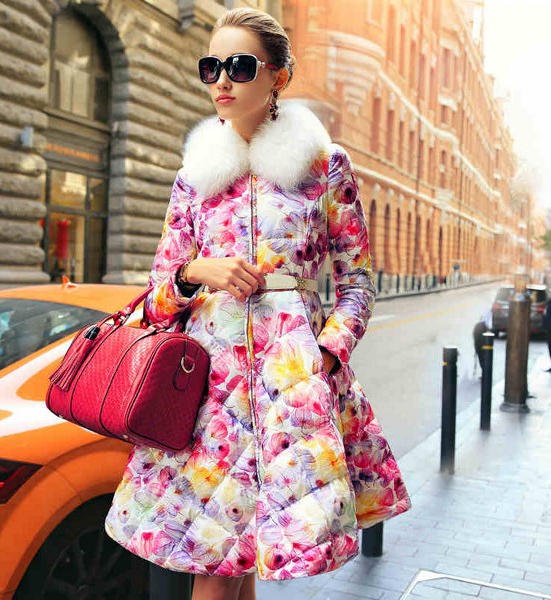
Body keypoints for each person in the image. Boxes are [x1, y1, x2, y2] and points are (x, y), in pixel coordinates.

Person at [105, 7, 411, 599]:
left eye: (240, 66)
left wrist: (324, 357)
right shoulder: (194, 176)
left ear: (278, 77)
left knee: (238, 568)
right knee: (217, 568)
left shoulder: (324, 167)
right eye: (211, 67)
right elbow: (157, 300)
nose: (222, 80)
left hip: (290, 387)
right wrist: (196, 271)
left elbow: (357, 283)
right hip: (207, 397)